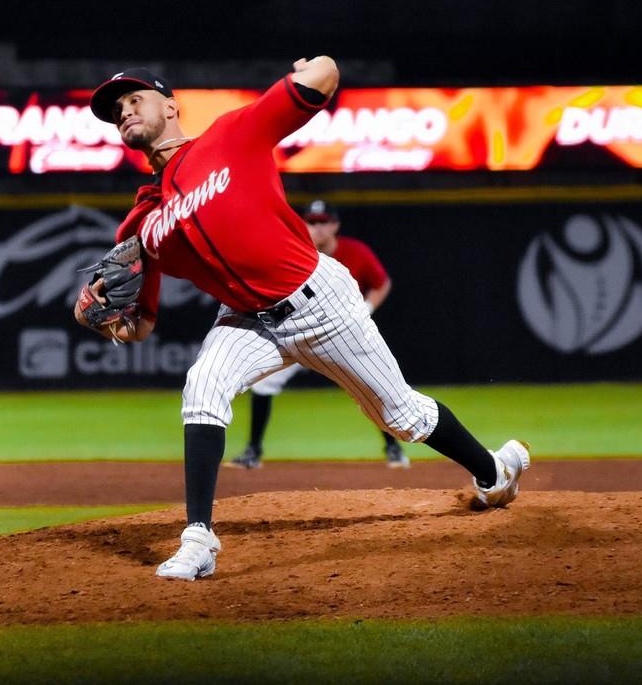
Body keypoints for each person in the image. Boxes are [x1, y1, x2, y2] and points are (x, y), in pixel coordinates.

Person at [75, 58, 530, 581]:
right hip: (246, 318)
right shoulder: (141, 223)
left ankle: (495, 472)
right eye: (115, 110)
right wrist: (105, 320)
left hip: (319, 301)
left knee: (404, 418)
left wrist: (313, 66)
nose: (124, 110)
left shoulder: (232, 134)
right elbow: (142, 324)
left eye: (136, 99)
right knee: (202, 385)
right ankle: (198, 539)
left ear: (172, 106)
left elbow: (325, 77)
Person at [226, 198, 409, 470]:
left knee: (370, 385)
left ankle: (393, 448)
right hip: (295, 334)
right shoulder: (293, 252)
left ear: (335, 225)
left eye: (324, 222)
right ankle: (253, 452)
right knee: (264, 384)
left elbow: (381, 283)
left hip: (341, 335)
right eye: (312, 222)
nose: (318, 228)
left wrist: (367, 308)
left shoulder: (355, 252)